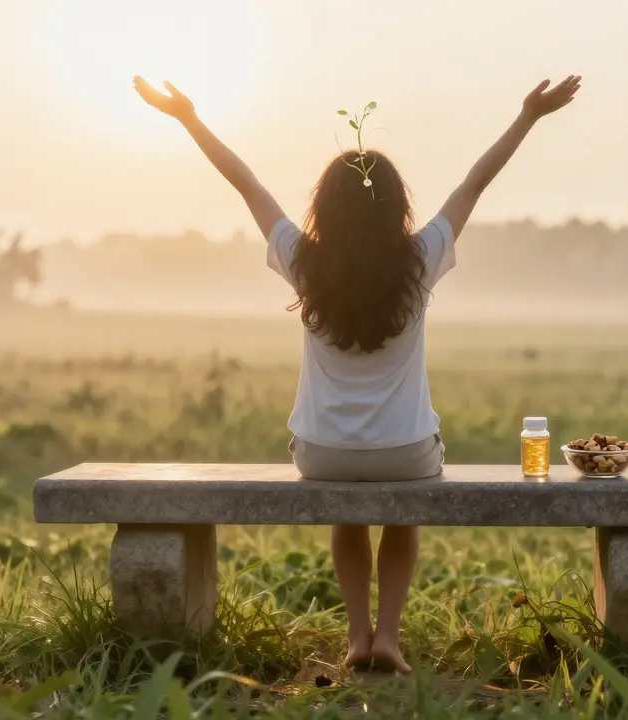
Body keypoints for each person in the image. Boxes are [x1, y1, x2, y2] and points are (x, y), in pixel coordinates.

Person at [133, 74, 582, 673]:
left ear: (326, 208)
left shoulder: (305, 261)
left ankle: (356, 637)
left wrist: (188, 118)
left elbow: (247, 182)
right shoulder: (420, 260)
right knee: (404, 512)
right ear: (397, 207)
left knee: (348, 513)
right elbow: (475, 182)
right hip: (405, 451)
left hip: (323, 453)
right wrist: (527, 115)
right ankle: (387, 637)